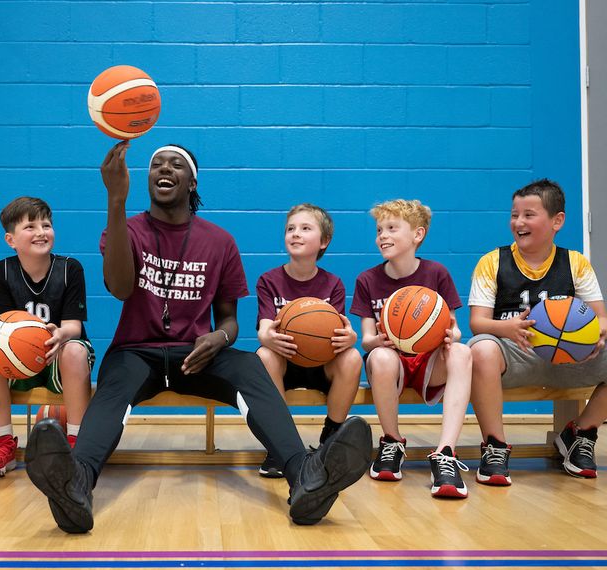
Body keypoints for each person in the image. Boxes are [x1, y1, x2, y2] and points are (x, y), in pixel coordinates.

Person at [24, 142, 372, 533]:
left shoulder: (220, 241)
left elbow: (229, 320)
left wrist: (219, 338)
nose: (163, 169)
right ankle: (76, 484)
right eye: (156, 164)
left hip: (196, 354)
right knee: (114, 385)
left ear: (192, 182)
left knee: (250, 366)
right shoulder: (125, 230)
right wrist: (116, 200)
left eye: (175, 164)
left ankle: (305, 478)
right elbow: (120, 288)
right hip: (136, 352)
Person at [468, 178, 607, 483]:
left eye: (528, 215)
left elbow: (601, 318)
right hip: (515, 356)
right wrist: (508, 327)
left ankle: (581, 433)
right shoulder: (492, 262)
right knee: (480, 348)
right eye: (514, 215)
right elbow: (477, 322)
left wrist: (596, 336)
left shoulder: (575, 263)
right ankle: (494, 445)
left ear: (557, 221)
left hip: (568, 359)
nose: (518, 222)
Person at [351, 199, 472, 499]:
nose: (383, 235)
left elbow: (455, 328)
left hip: (429, 361)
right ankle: (392, 442)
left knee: (462, 351)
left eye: (392, 228)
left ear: (418, 234)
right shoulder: (367, 279)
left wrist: (450, 336)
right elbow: (366, 339)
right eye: (379, 230)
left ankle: (446, 454)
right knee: (379, 356)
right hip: (392, 364)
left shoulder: (436, 273)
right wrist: (378, 341)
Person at [0, 196, 94, 478]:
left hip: (60, 357)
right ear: (11, 240)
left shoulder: (70, 269)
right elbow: (3, 326)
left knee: (74, 350)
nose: (41, 232)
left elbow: (74, 327)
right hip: (21, 360)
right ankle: (2, 443)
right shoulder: (2, 271)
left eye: (46, 225)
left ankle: (77, 442)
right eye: (30, 227)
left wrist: (59, 334)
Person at [255, 203, 362, 478]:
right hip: (286, 363)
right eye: (290, 228)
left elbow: (340, 331)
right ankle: (280, 445)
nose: (295, 233)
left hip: (320, 364)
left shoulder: (333, 283)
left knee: (352, 356)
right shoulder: (269, 280)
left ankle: (330, 440)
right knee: (264, 355)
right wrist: (267, 336)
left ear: (324, 241)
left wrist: (350, 337)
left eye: (305, 228)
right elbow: (264, 329)